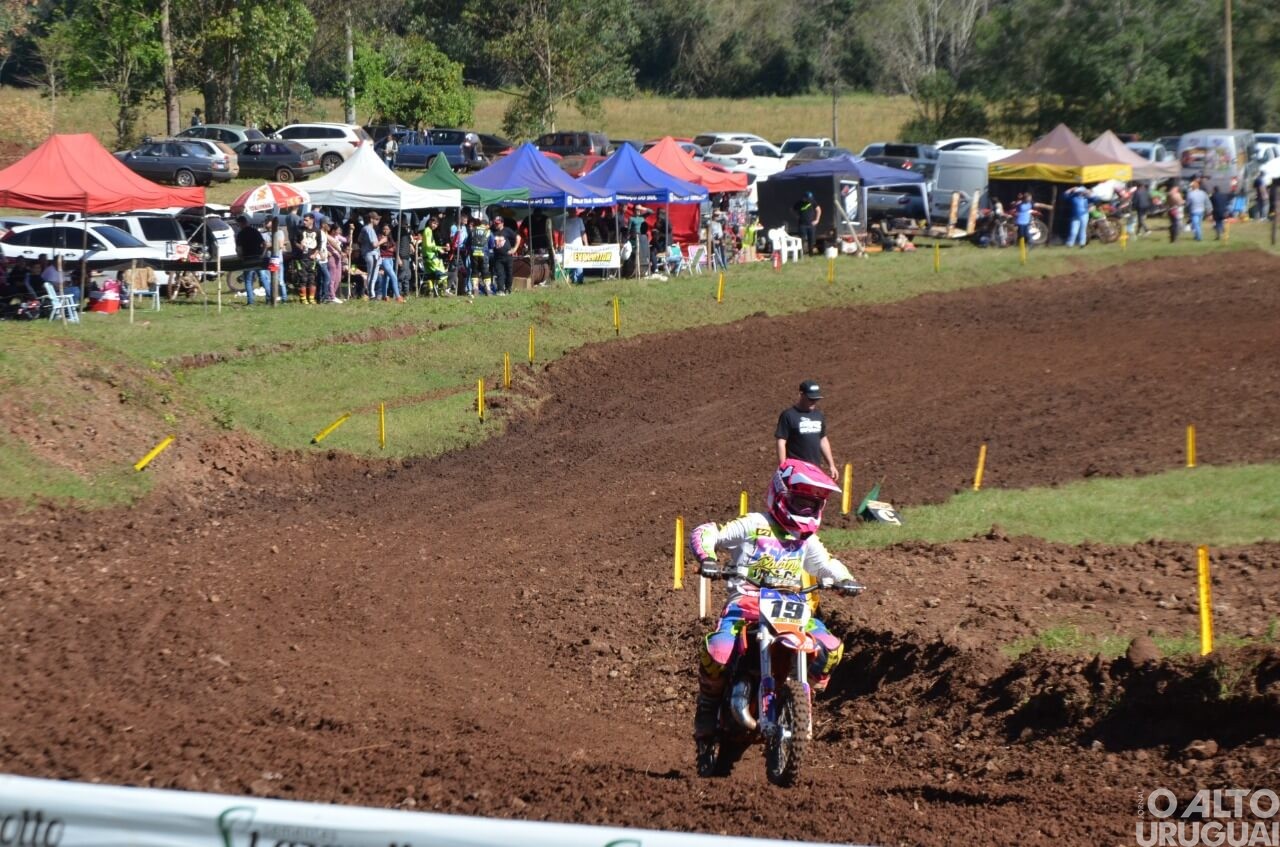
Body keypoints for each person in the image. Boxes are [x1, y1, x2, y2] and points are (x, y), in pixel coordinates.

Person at [689, 459, 863, 741]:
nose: (806, 510)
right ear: (781, 494)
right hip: (746, 605)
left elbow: (826, 564)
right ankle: (708, 706)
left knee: (830, 649)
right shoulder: (755, 524)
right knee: (719, 649)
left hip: (792, 609)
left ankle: (800, 699)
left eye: (812, 504)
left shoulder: (805, 539)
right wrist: (708, 558)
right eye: (800, 501)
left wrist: (845, 579)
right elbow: (708, 532)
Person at [775, 379, 838, 481]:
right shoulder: (788, 415)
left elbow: (823, 439)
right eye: (811, 399)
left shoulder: (819, 415)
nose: (814, 402)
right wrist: (783, 467)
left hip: (815, 469)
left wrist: (831, 465)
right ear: (801, 394)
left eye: (816, 399)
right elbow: (781, 441)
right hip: (796, 470)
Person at [235, 216, 268, 305]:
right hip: (258, 258)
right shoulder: (255, 231)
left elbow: (239, 248)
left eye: (238, 225)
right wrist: (262, 255)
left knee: (248, 280)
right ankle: (269, 299)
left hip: (248, 259)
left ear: (240, 223)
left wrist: (240, 256)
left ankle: (251, 301)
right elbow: (265, 244)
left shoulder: (240, 234)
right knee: (263, 279)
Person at [488, 215, 520, 296]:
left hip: (508, 256)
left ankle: (508, 288)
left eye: (498, 223)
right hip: (497, 257)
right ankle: (500, 290)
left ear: (502, 223)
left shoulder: (507, 230)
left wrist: (514, 249)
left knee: (509, 273)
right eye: (495, 223)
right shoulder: (492, 231)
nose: (496, 225)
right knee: (500, 274)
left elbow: (518, 237)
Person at [358, 212, 381, 300]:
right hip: (372, 254)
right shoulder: (370, 229)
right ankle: (371, 294)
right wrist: (382, 241)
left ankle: (370, 293)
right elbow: (374, 244)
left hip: (367, 254)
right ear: (371, 219)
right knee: (373, 275)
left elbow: (360, 239)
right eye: (376, 219)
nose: (378, 221)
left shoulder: (364, 228)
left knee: (371, 274)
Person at [793, 191, 821, 255]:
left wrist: (817, 220)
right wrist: (796, 216)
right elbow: (792, 210)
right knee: (802, 239)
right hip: (802, 224)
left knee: (811, 240)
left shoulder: (813, 202)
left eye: (810, 199)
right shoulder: (799, 203)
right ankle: (801, 254)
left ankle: (811, 254)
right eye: (808, 199)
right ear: (804, 198)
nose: (809, 200)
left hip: (811, 224)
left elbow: (819, 210)